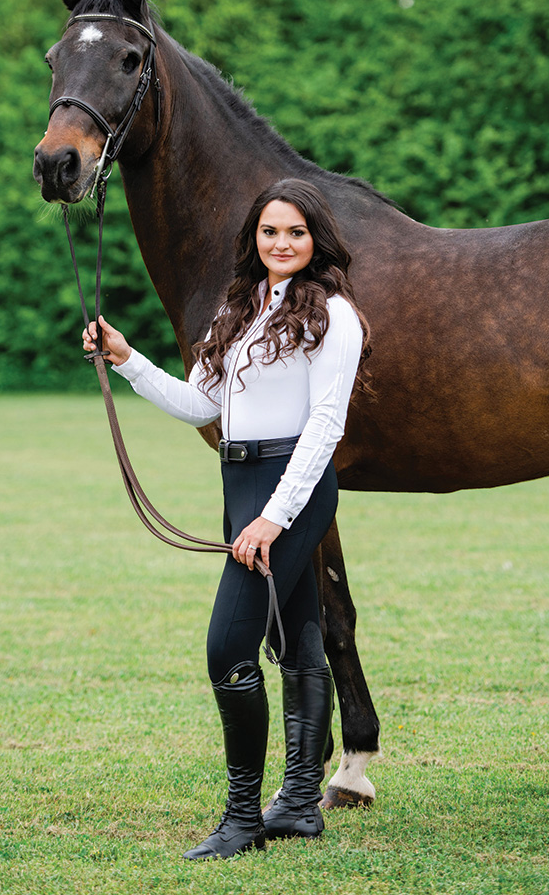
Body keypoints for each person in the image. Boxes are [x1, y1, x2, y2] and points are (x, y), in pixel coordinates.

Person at [82, 177, 369, 860]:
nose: (281, 243)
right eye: (270, 231)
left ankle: (244, 818)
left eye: (295, 232)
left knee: (227, 648)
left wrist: (272, 518)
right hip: (239, 480)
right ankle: (298, 804)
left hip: (289, 488)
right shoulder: (239, 310)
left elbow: (326, 427)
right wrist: (127, 361)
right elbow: (199, 405)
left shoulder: (335, 316)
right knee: (298, 636)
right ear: (254, 239)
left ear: (316, 239)